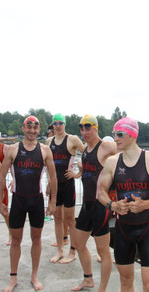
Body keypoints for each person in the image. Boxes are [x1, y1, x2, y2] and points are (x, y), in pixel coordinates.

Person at [98, 117, 149, 292]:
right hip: (123, 229)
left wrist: (146, 204)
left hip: (147, 229)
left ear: (132, 135)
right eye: (114, 134)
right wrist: (112, 205)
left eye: (120, 134)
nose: (115, 139)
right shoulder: (112, 162)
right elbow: (101, 193)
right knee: (126, 282)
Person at [0, 115, 57, 292]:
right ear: (23, 128)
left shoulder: (45, 150)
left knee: (36, 240)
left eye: (35, 128)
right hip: (18, 201)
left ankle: (34, 275)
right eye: (29, 127)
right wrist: (0, 200)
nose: (32, 131)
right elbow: (1, 175)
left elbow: (53, 177)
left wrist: (53, 201)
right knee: (16, 240)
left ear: (39, 130)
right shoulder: (13, 149)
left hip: (36, 201)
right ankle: (13, 277)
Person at [70, 114, 118, 292]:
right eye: (82, 128)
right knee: (79, 244)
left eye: (88, 127)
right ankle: (88, 280)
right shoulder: (86, 150)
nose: (84, 132)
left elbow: (128, 152)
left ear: (96, 128)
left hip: (101, 207)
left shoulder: (105, 146)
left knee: (102, 251)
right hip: (86, 205)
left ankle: (102, 288)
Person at [47, 113, 85, 264]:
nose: (57, 126)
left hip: (68, 185)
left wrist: (78, 174)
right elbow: (47, 164)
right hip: (55, 186)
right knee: (57, 218)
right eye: (55, 123)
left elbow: (87, 155)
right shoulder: (49, 141)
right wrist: (49, 184)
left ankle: (73, 251)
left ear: (64, 124)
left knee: (70, 220)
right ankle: (60, 251)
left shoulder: (72, 139)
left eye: (60, 123)